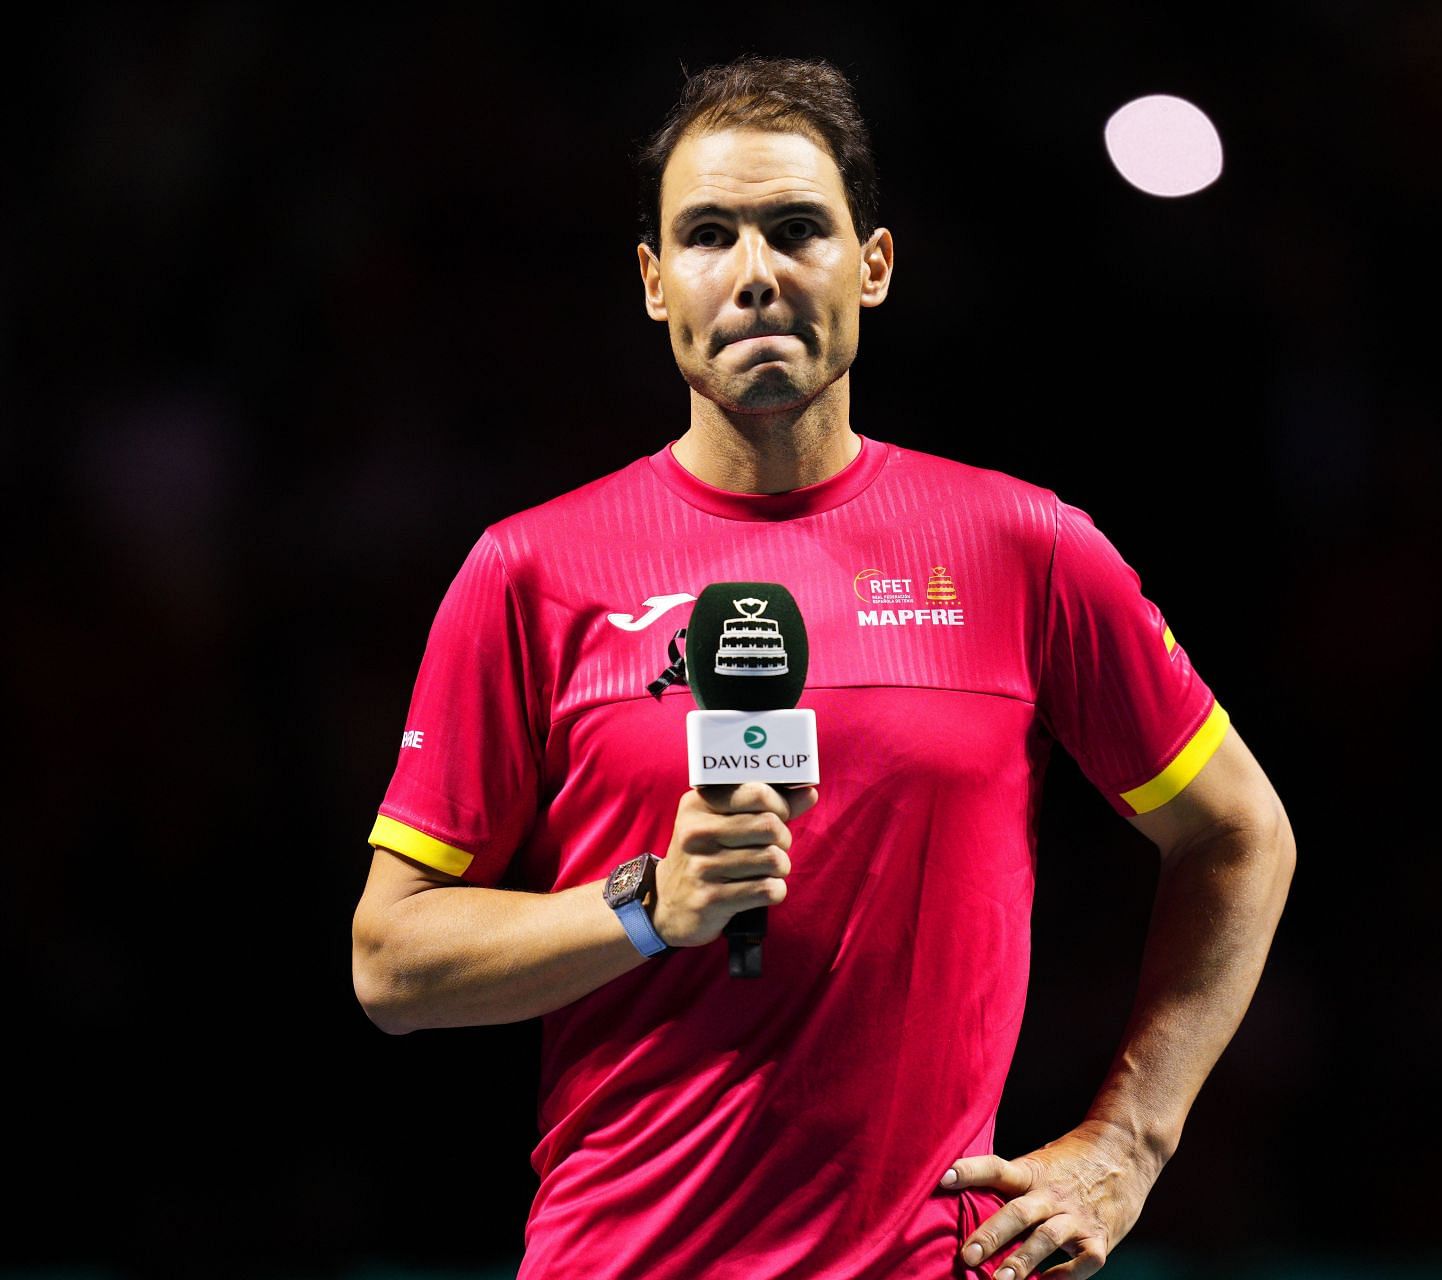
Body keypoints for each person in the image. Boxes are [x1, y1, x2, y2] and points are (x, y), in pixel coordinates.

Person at [351, 53, 1296, 1280]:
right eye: (707, 237)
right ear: (653, 284)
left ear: (874, 265)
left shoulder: (1023, 548)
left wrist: (1128, 1140)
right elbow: (392, 962)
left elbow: (1240, 835)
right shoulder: (529, 570)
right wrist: (646, 905)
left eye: (797, 229)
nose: (754, 274)